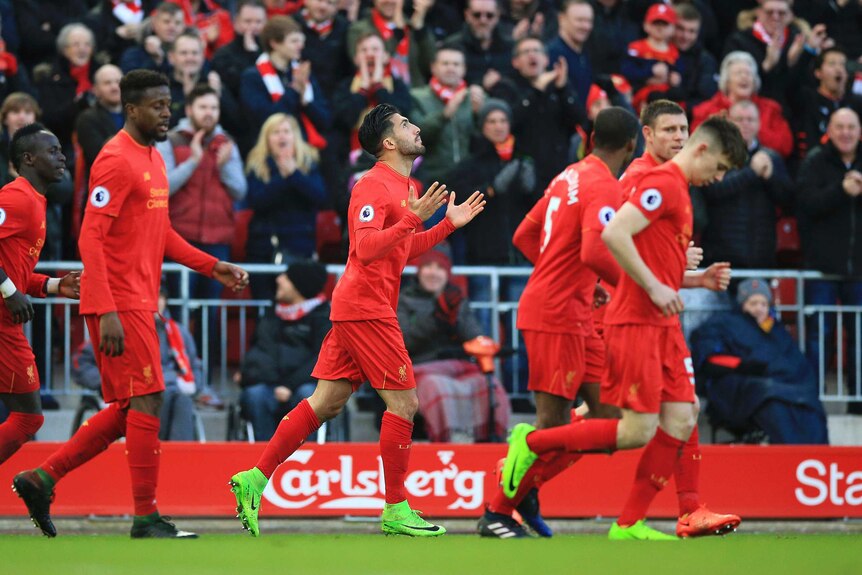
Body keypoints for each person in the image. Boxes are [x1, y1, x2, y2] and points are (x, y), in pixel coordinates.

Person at [228, 102, 485, 538]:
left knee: (325, 403)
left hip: (360, 307)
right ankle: (395, 508)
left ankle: (254, 479)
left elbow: (401, 248)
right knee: (404, 404)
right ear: (388, 143)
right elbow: (365, 249)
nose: (415, 127)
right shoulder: (370, 185)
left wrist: (445, 226)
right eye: (406, 124)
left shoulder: (405, 187)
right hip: (367, 308)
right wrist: (412, 219)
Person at [12, 70, 249, 540]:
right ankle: (145, 516)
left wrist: (211, 266)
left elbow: (160, 233)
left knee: (130, 407)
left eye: (169, 104)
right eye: (158, 106)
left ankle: (42, 478)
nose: (167, 112)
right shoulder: (116, 159)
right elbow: (91, 237)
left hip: (138, 300)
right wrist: (108, 309)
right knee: (149, 398)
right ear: (133, 109)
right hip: (119, 302)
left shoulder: (154, 160)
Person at [501, 115, 748, 540]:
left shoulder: (593, 179)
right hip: (620, 318)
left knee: (680, 413)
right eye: (720, 168)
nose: (719, 178)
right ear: (642, 138)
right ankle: (511, 487)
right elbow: (611, 239)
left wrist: (687, 279)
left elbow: (531, 235)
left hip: (632, 313)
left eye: (682, 130)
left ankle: (640, 518)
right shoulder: (647, 182)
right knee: (620, 426)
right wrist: (646, 286)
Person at [478, 106, 639, 539]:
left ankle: (525, 487)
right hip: (556, 315)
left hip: (572, 311)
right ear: (631, 145)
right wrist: (635, 286)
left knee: (611, 420)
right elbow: (594, 251)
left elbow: (524, 237)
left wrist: (582, 281)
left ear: (589, 138)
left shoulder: (569, 175)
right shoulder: (603, 184)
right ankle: (498, 511)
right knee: (552, 427)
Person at [0, 123, 80, 469]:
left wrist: (53, 285)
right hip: (3, 324)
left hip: (6, 320)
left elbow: (15, 270)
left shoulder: (35, 201)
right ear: (28, 159)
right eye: (53, 151)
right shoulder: (17, 197)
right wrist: (8, 291)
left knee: (27, 417)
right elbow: (10, 282)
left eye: (62, 149)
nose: (62, 156)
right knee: (28, 417)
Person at [690, 278, 829, 444]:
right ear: (741, 303)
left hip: (781, 386)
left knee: (810, 402)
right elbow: (709, 359)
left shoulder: (776, 330)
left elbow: (795, 364)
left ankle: (818, 457)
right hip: (739, 388)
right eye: (753, 303)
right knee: (771, 398)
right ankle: (792, 456)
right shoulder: (722, 324)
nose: (759, 308)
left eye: (763, 304)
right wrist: (743, 366)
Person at [398, 249, 510, 442]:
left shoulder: (456, 299)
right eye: (428, 267)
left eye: (440, 268)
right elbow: (404, 341)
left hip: (459, 364)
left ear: (447, 274)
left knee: (490, 386)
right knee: (436, 387)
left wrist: (456, 314)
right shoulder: (404, 300)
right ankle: (443, 442)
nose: (433, 273)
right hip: (421, 366)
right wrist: (436, 317)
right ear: (419, 271)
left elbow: (474, 337)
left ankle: (491, 440)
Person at [73, 284, 204, 441]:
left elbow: (195, 366)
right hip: (132, 390)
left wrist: (194, 385)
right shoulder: (116, 328)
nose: (157, 302)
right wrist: (107, 383)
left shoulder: (180, 332)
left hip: (172, 388)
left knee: (183, 402)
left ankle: (178, 458)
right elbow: (80, 362)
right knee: (158, 397)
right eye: (151, 296)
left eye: (160, 297)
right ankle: (156, 452)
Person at [796, 108, 862, 415]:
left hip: (859, 271)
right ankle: (812, 403)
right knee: (817, 337)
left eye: (851, 127)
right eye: (840, 127)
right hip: (821, 268)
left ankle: (857, 405)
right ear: (830, 131)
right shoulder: (815, 162)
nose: (846, 132)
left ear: (859, 131)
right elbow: (806, 204)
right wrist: (841, 191)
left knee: (860, 339)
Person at [157, 83, 247, 300]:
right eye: (203, 107)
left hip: (217, 239)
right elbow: (163, 188)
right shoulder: (170, 140)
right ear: (189, 110)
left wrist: (222, 165)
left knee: (211, 309)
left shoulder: (226, 143)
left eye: (214, 108)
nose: (209, 113)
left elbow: (240, 191)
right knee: (179, 304)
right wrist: (193, 161)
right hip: (180, 237)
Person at [239, 260, 330, 441]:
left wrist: (289, 385)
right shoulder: (272, 313)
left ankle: (307, 459)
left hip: (303, 385)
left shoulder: (323, 317)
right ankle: (262, 460)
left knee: (308, 396)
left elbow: (323, 359)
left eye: (286, 277)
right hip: (271, 383)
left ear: (299, 286)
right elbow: (261, 351)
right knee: (255, 395)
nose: (279, 279)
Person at [698, 100, 793, 269]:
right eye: (739, 119)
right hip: (719, 257)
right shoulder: (713, 155)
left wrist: (770, 178)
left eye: (750, 119)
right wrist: (751, 172)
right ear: (728, 122)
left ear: (759, 123)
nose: (745, 124)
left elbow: (788, 201)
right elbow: (712, 192)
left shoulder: (771, 157)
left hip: (760, 257)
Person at [244, 112, 327, 299]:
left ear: (294, 136)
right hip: (263, 249)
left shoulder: (309, 162)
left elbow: (320, 197)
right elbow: (257, 201)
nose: (282, 136)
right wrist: (283, 178)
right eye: (275, 132)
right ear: (267, 138)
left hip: (299, 248)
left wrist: (294, 174)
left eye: (286, 131)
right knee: (264, 306)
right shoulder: (257, 164)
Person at [240, 15, 331, 147]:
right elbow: (265, 119)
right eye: (294, 41)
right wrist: (294, 90)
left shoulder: (302, 73)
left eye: (301, 41)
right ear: (274, 43)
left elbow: (325, 120)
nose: (300, 46)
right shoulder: (252, 77)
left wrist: (306, 103)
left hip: (305, 147)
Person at [410, 46, 484, 202]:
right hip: (431, 186)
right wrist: (444, 115)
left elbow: (487, 139)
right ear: (433, 67)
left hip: (469, 184)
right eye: (445, 63)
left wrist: (480, 115)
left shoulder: (475, 97)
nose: (451, 68)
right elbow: (415, 136)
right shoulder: (417, 97)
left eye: (456, 64)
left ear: (464, 69)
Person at [692, 51, 793, 159]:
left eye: (748, 73)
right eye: (738, 73)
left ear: (755, 81)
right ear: (726, 81)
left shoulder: (771, 108)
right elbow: (696, 144)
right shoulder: (706, 110)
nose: (744, 77)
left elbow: (785, 146)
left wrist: (751, 129)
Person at [346, 0, 436, 87]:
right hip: (378, 93)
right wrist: (398, 33)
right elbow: (362, 63)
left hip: (414, 93)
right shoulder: (359, 30)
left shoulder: (411, 27)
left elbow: (431, 65)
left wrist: (420, 31)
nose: (389, 1)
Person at [442, 0, 515, 89]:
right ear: (467, 15)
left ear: (497, 16)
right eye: (477, 15)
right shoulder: (452, 46)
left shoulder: (510, 46)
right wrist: (481, 85)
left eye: (489, 15)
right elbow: (446, 82)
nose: (483, 21)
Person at [622, 4, 682, 112]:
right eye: (655, 23)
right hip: (642, 97)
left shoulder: (675, 53)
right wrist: (650, 71)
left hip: (667, 96)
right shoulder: (636, 48)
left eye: (665, 24)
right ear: (646, 25)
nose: (659, 27)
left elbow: (680, 73)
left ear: (673, 28)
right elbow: (627, 71)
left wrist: (674, 78)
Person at [118, 1, 187, 74]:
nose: (172, 27)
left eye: (177, 23)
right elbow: (133, 82)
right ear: (154, 23)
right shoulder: (133, 55)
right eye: (166, 22)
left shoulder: (191, 55)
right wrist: (155, 60)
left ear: (183, 27)